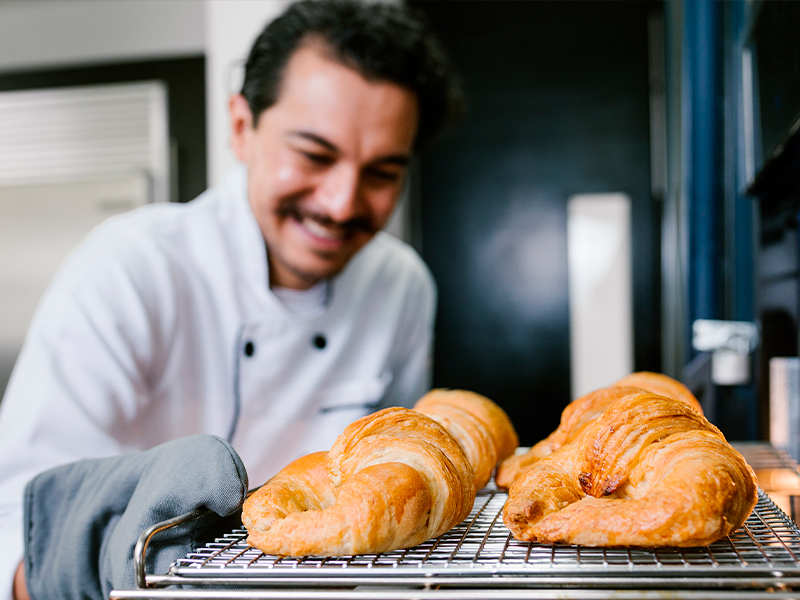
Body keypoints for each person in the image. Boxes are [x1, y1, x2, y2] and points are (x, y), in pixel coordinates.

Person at [0, 1, 463, 598]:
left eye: (381, 172)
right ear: (242, 128)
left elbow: (390, 471)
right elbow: (19, 520)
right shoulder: (133, 267)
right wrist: (89, 563)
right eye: (315, 156)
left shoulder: (401, 286)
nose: (343, 202)